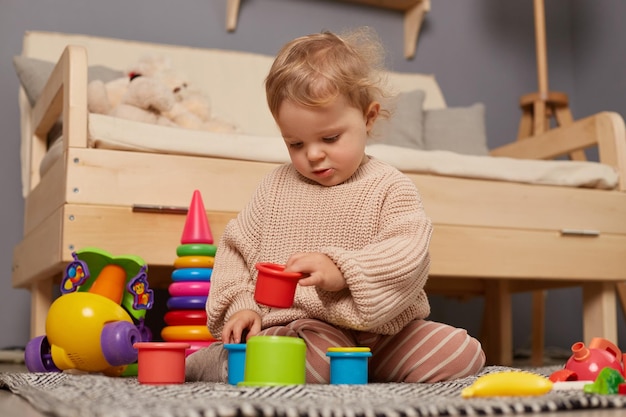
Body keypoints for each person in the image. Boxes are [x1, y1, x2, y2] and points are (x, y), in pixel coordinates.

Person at [186, 28, 485, 383]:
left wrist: (344, 269)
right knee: (304, 353)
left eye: (330, 138)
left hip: (382, 333)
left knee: (462, 352)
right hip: (302, 328)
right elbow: (235, 252)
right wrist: (242, 307)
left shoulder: (390, 186)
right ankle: (222, 362)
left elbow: (409, 254)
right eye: (295, 143)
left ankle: (348, 368)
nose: (312, 154)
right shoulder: (274, 188)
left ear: (369, 118)